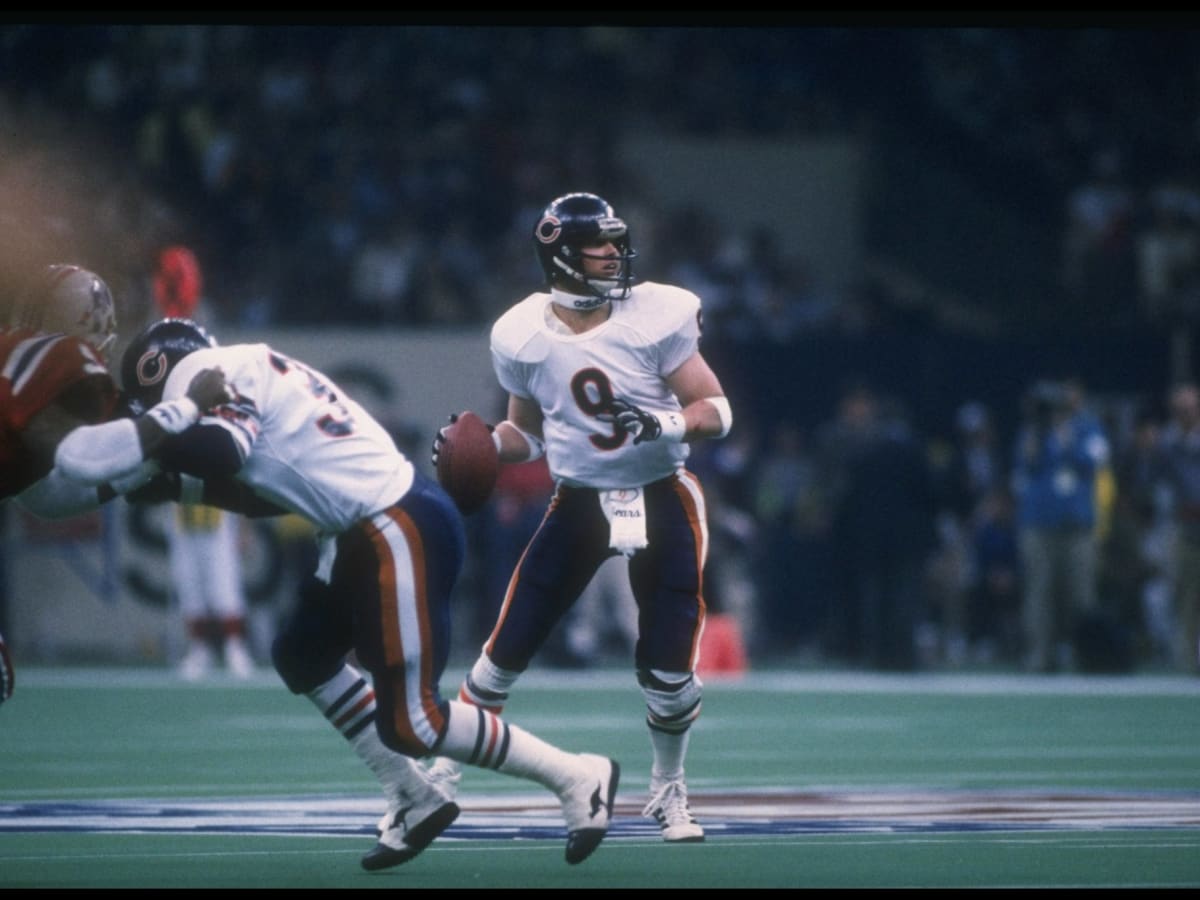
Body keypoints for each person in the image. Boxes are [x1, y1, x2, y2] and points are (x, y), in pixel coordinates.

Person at [51, 316, 620, 870]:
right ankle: (411, 793)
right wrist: (167, 482)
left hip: (393, 523)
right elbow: (266, 488)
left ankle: (576, 776)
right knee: (302, 653)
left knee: (414, 722)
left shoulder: (208, 375)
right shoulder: (246, 367)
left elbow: (224, 451)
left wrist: (159, 439)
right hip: (361, 528)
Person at [430, 191, 733, 843]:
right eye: (602, 244)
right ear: (562, 256)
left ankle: (668, 789)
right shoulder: (521, 333)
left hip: (660, 494)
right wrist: (477, 440)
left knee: (671, 672)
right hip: (580, 500)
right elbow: (525, 434)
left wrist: (666, 420)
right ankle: (441, 778)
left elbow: (716, 409)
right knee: (502, 652)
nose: (617, 254)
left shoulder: (656, 312)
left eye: (616, 241)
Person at [0, 264, 144, 706]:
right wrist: (163, 435)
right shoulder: (65, 355)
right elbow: (77, 458)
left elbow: (46, 495)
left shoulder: (16, 350)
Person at [151, 244, 255, 681]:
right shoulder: (158, 335)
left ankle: (232, 645)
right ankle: (200, 646)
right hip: (179, 464)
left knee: (219, 564)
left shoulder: (208, 339)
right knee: (188, 567)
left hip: (208, 461)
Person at [1011, 379, 1111, 672]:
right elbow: (1023, 466)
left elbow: (1095, 462)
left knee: (1080, 592)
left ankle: (1086, 656)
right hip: (1039, 522)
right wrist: (1038, 436)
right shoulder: (1033, 430)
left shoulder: (1087, 428)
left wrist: (1067, 438)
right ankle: (1040, 655)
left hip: (1077, 523)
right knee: (1038, 591)